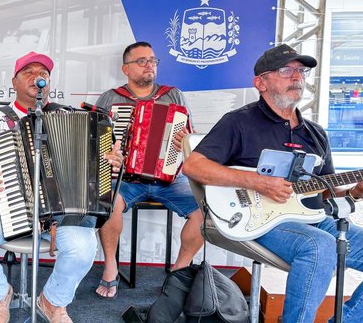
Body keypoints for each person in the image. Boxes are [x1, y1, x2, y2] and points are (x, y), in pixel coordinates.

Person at [183, 44, 363, 323]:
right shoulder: (238, 122)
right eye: (286, 70)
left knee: (324, 239)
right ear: (261, 82)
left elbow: (328, 189)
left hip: (313, 218)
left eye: (301, 71)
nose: (297, 77)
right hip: (259, 220)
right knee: (321, 246)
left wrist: (354, 190)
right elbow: (193, 166)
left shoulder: (315, 133)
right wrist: (257, 182)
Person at [0, 51, 124, 323]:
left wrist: (110, 161)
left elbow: (96, 165)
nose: (37, 77)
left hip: (60, 210)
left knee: (84, 248)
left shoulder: (71, 116)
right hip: (11, 202)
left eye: (44, 74)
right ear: (14, 81)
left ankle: (53, 302)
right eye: (29, 72)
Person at [93, 41, 203, 298]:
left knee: (205, 210)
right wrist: (109, 153)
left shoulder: (172, 94)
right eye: (141, 61)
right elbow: (94, 142)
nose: (149, 65)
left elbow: (191, 138)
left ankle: (179, 271)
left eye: (153, 60)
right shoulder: (110, 98)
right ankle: (110, 267)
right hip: (126, 179)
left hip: (169, 177)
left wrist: (183, 140)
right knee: (108, 202)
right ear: (126, 68)